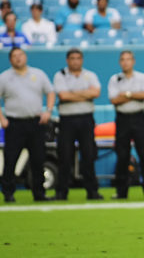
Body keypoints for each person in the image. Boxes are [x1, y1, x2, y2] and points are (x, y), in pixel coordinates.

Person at [0, 48, 55, 203]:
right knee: (11, 159)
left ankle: (39, 193)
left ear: (25, 57)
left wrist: (48, 111)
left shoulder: (38, 74)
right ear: (10, 60)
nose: (18, 59)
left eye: (20, 55)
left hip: (35, 123)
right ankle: (8, 193)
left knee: (38, 159)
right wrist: (2, 119)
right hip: (15, 123)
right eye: (14, 56)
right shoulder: (4, 77)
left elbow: (50, 92)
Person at [53, 48, 103, 201]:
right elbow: (63, 95)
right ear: (68, 60)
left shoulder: (90, 75)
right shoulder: (60, 75)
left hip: (86, 119)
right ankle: (62, 192)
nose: (75, 61)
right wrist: (84, 93)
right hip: (67, 120)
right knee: (65, 156)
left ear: (82, 60)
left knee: (88, 155)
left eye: (78, 58)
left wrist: (72, 93)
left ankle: (92, 191)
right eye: (72, 58)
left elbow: (96, 93)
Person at [108, 51, 144, 199]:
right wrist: (134, 94)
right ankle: (121, 191)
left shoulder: (143, 77)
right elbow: (114, 100)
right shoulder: (114, 79)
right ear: (119, 62)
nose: (126, 62)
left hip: (139, 118)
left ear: (133, 61)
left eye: (128, 59)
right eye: (123, 60)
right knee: (122, 155)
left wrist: (126, 94)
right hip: (122, 119)